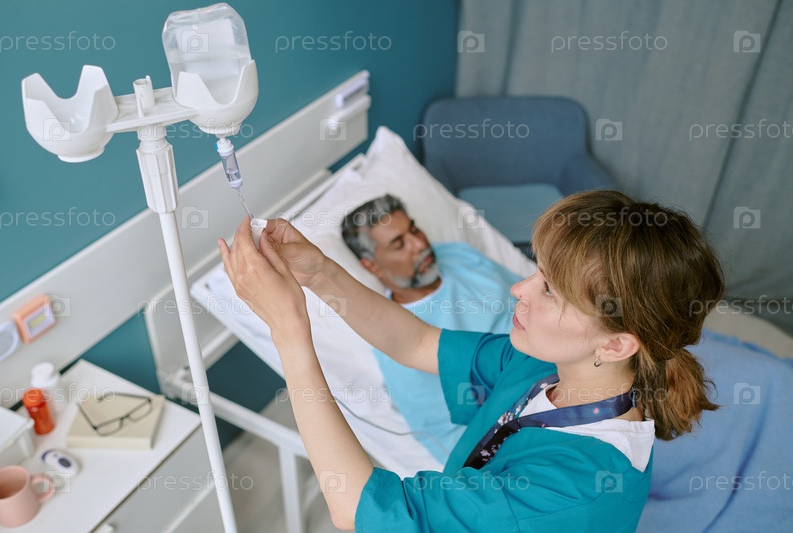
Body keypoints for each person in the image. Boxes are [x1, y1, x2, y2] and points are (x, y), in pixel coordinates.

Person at [218, 190, 724, 531]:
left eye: (549, 290)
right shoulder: (547, 368)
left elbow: (357, 510)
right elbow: (418, 343)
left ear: (615, 345)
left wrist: (289, 331)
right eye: (537, 270)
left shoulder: (573, 487)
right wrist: (318, 273)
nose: (519, 288)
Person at [341, 194, 528, 463]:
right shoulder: (395, 336)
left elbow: (533, 297)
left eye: (414, 229)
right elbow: (448, 435)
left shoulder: (457, 254)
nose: (420, 244)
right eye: (399, 244)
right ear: (372, 266)